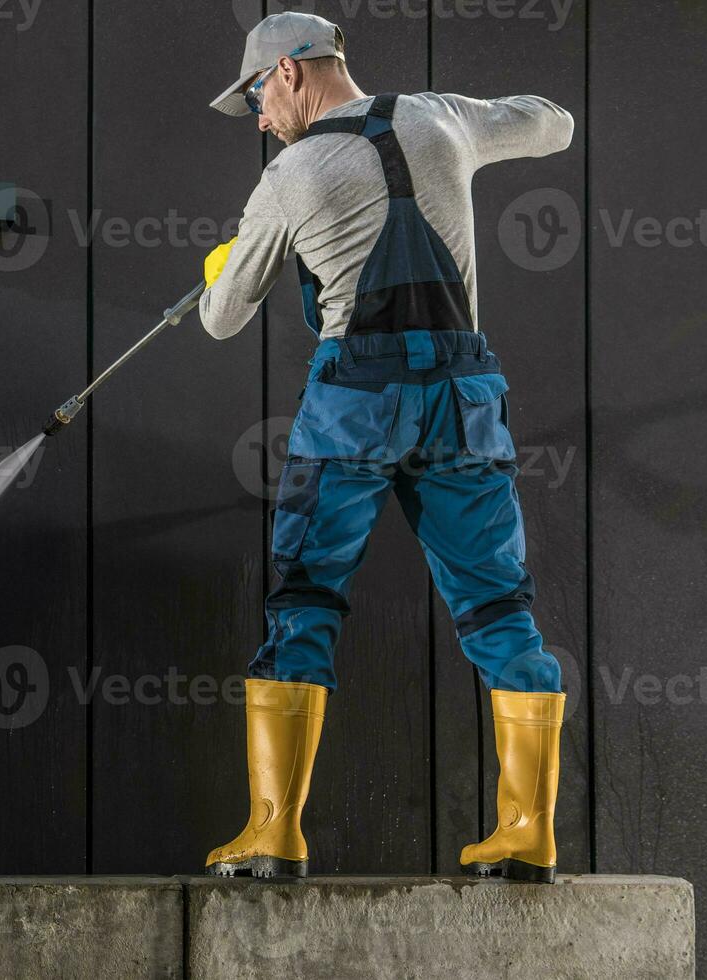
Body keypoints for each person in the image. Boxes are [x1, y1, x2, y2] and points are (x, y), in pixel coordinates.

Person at [199, 11, 574, 883]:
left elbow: (221, 321)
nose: (258, 115)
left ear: (290, 71)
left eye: (257, 93)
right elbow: (551, 121)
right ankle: (525, 836)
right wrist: (470, 123)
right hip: (459, 398)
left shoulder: (289, 175)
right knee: (497, 608)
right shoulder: (440, 116)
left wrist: (224, 265)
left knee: (305, 598)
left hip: (355, 403)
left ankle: (272, 834)